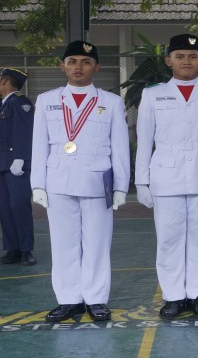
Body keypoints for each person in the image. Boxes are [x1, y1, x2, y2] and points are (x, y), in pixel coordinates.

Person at [135, 33, 198, 320]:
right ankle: (173, 296)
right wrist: (141, 180)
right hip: (166, 174)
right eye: (179, 56)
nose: (186, 61)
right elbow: (144, 140)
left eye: (193, 56)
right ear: (168, 61)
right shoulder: (153, 94)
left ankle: (197, 295)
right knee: (169, 238)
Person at [31, 41, 130, 322]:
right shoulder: (47, 100)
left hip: (97, 182)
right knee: (63, 244)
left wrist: (121, 186)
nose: (79, 67)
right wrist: (37, 184)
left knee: (97, 244)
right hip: (58, 180)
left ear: (96, 68)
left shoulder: (111, 102)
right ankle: (68, 300)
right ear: (62, 66)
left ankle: (96, 299)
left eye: (86, 62)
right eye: (72, 61)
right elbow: (39, 145)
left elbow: (120, 147)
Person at [0, 68, 35, 266]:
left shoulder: (19, 102)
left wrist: (20, 157)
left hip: (16, 163)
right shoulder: (4, 104)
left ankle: (26, 250)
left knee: (19, 206)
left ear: (4, 81)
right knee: (6, 208)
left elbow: (24, 131)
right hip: (2, 162)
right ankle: (12, 249)